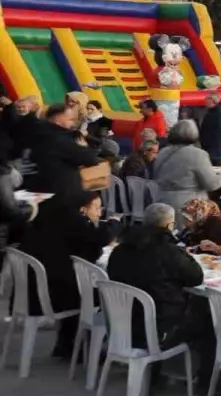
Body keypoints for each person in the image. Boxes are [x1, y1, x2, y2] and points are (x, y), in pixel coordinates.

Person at [17, 190, 120, 357]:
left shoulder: (50, 219)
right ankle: (86, 347)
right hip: (52, 295)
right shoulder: (75, 223)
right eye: (96, 208)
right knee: (102, 294)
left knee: (77, 285)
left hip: (31, 291)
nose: (99, 213)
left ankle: (67, 343)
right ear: (83, 210)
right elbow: (100, 239)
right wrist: (114, 222)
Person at [106, 203, 206, 348]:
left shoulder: (120, 249)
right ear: (170, 225)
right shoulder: (168, 251)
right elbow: (196, 277)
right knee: (204, 320)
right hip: (156, 328)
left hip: (120, 323)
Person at [25, 103, 100, 196]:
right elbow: (90, 159)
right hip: (58, 192)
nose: (73, 123)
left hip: (37, 186)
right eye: (70, 119)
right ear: (57, 119)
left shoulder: (39, 130)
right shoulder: (60, 139)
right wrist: (84, 145)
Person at [197, 93, 221, 165]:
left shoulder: (219, 111)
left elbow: (219, 129)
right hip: (209, 143)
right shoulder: (212, 111)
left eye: (206, 100)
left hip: (213, 145)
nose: (205, 102)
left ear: (212, 100)